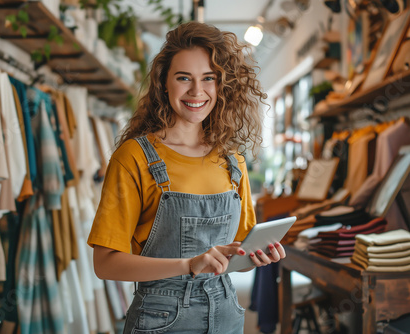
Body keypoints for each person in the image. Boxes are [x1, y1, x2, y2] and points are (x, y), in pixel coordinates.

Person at [87, 21, 286, 333]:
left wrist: (259, 256)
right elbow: (105, 263)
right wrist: (188, 265)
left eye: (209, 78)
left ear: (222, 86)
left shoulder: (232, 161)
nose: (197, 91)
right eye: (184, 78)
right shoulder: (134, 157)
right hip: (161, 320)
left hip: (226, 314)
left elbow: (238, 255)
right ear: (164, 83)